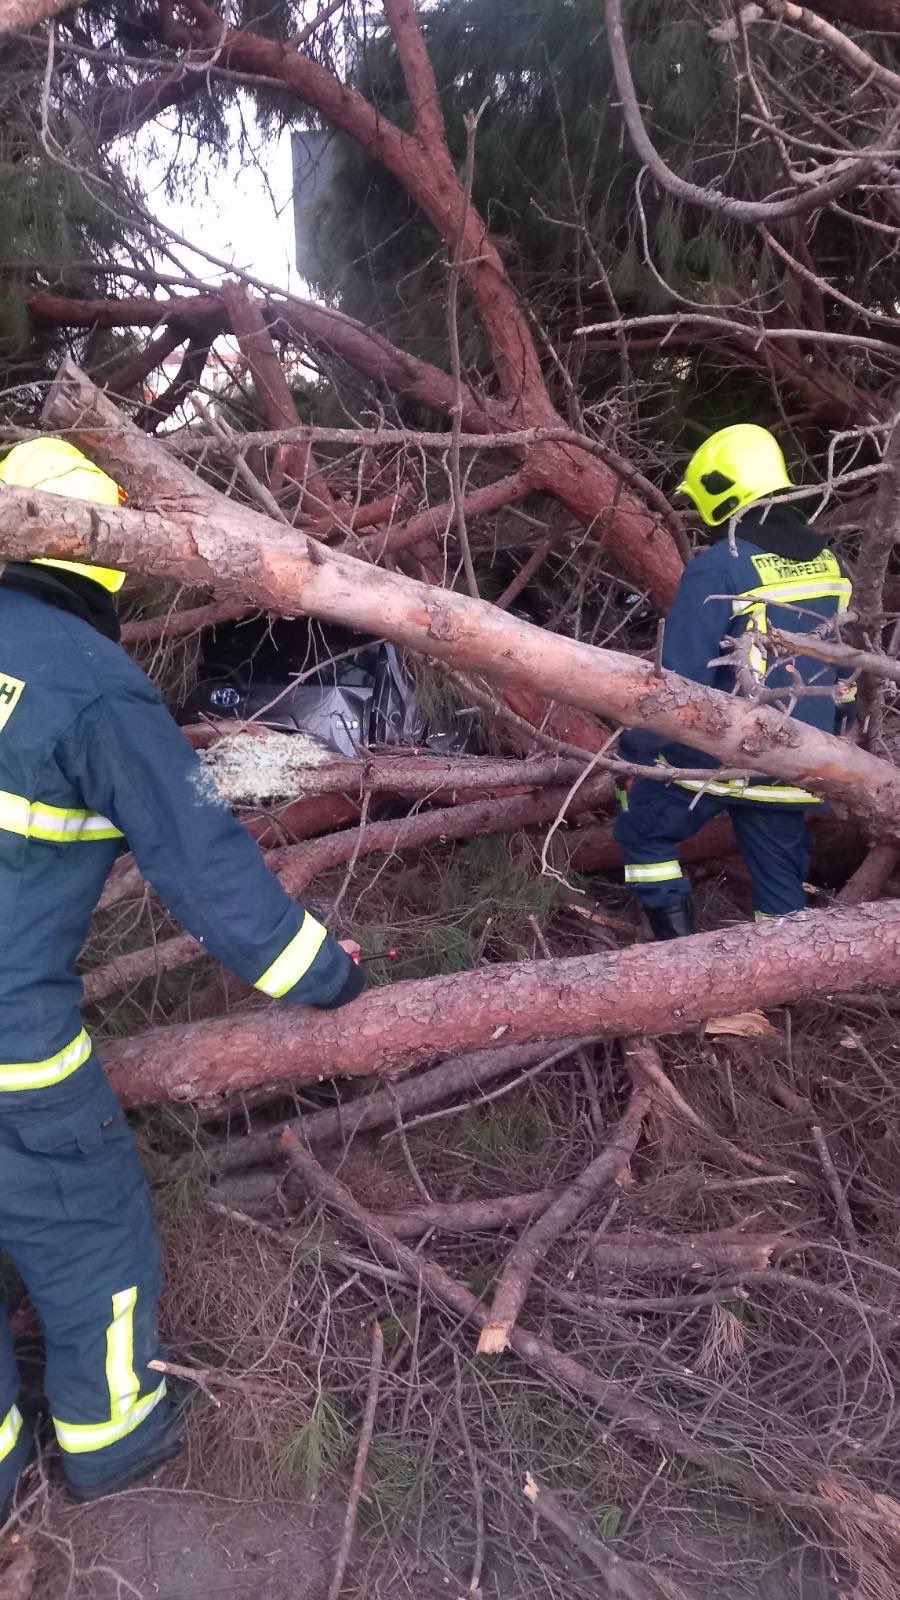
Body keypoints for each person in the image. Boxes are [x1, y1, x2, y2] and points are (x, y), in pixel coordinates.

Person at [0, 438, 364, 1518]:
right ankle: (116, 1442)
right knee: (88, 1225)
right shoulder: (93, 686)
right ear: (101, 549)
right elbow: (202, 864)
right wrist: (319, 973)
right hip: (13, 1044)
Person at [614, 424, 856, 939]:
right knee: (780, 886)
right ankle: (784, 982)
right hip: (797, 758)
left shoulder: (720, 566)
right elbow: (846, 669)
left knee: (643, 833)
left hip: (719, 752)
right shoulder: (830, 563)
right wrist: (833, 737)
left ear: (722, 487)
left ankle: (678, 960)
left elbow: (679, 679)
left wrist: (634, 750)